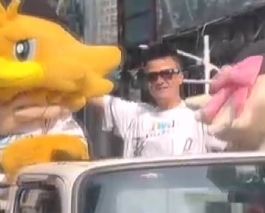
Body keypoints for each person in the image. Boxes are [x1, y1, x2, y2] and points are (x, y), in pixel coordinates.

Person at [91, 43, 224, 157]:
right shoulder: (135, 115)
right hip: (142, 186)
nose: (160, 81)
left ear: (181, 77)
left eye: (167, 74)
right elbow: (89, 94)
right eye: (153, 76)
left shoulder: (200, 118)